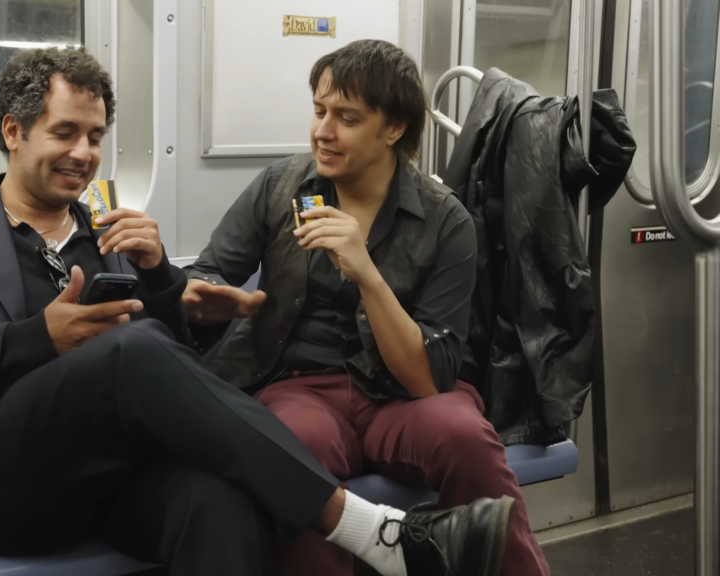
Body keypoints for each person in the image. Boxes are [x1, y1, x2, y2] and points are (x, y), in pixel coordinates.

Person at [0, 47, 515, 576]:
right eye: (65, 133)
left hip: (99, 478)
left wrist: (167, 286)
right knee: (128, 352)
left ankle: (373, 534)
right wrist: (37, 338)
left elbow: (162, 374)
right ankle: (369, 530)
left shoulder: (107, 232)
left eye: (95, 136)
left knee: (223, 504)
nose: (84, 154)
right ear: (13, 132)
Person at [184, 40, 550, 576]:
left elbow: (426, 379)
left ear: (393, 128)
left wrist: (368, 275)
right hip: (299, 386)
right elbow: (209, 271)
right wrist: (207, 295)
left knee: (465, 436)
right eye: (319, 111)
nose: (323, 131)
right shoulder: (281, 187)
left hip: (399, 395)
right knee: (296, 446)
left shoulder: (446, 222)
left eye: (347, 119)